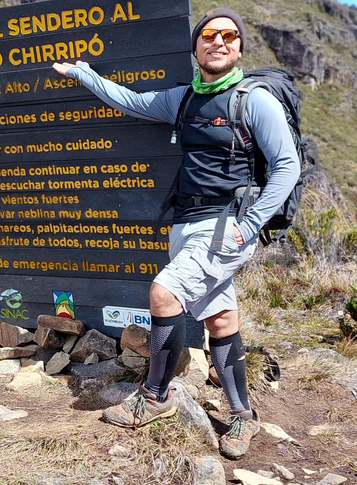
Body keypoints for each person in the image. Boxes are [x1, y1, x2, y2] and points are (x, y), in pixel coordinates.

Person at [53, 8, 300, 459]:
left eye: (229, 36)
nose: (219, 42)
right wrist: (86, 74)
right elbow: (133, 101)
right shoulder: (185, 99)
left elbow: (287, 166)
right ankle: (244, 415)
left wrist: (250, 224)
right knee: (220, 319)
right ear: (196, 48)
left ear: (239, 48)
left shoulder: (254, 100)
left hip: (226, 224)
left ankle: (155, 398)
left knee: (164, 294)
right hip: (186, 222)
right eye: (209, 35)